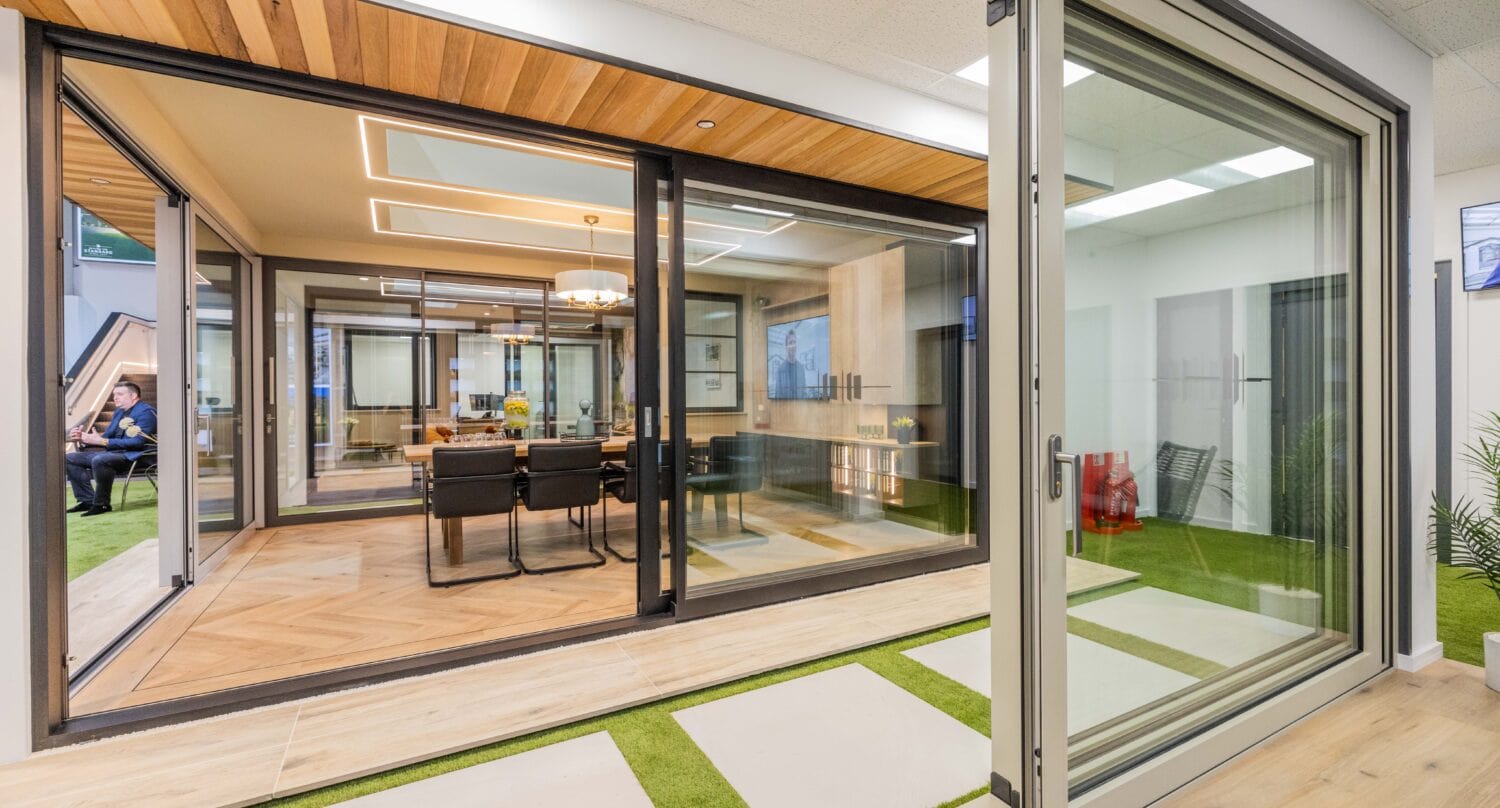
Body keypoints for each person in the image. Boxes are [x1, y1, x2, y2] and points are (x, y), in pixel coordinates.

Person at [65, 381, 157, 517]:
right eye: (114, 394)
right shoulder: (119, 412)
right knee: (69, 458)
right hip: (116, 453)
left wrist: (102, 441)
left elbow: (137, 442)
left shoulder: (146, 413)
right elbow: (107, 437)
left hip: (137, 455)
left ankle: (101, 504)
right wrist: (85, 438)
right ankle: (87, 500)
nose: (115, 398)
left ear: (133, 395)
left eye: (120, 394)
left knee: (100, 459)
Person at [773, 327, 811, 400]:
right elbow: (777, 395)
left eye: (794, 342)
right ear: (786, 347)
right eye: (790, 343)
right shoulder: (780, 369)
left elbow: (804, 392)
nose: (793, 346)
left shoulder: (801, 368)